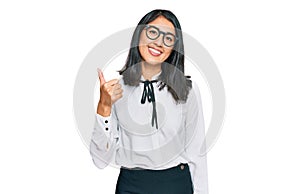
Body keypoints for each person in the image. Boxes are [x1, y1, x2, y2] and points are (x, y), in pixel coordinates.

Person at [90, 9, 208, 194]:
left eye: (168, 38)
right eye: (153, 32)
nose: (158, 42)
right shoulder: (116, 89)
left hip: (176, 185)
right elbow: (100, 160)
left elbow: (197, 154)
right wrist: (104, 106)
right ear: (139, 35)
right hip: (131, 185)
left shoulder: (187, 90)